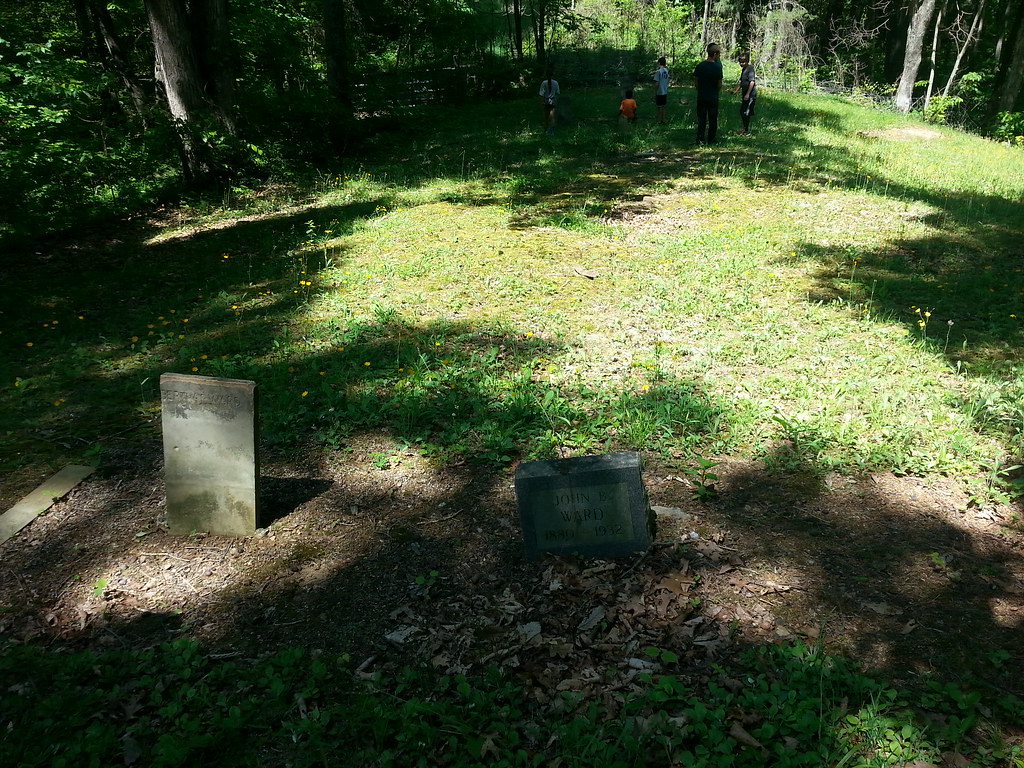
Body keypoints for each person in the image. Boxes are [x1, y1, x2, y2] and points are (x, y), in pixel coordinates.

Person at [692, 43, 723, 144]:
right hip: (713, 96)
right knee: (712, 118)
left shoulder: (700, 66)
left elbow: (696, 82)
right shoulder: (717, 67)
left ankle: (700, 138)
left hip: (702, 96)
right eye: (718, 54)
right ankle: (711, 139)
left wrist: (701, 90)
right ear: (714, 54)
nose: (719, 56)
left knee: (701, 118)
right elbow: (719, 84)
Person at [733, 52, 757, 134]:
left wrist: (748, 94)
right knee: (742, 111)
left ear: (747, 61)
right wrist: (736, 91)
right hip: (745, 94)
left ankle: (746, 130)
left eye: (743, 62)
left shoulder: (750, 69)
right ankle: (745, 129)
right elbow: (742, 82)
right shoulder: (744, 70)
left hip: (750, 94)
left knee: (746, 112)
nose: (741, 64)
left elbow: (752, 82)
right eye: (740, 62)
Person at [653, 57, 669, 123]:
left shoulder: (658, 71)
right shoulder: (666, 71)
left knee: (659, 106)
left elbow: (657, 82)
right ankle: (663, 119)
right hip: (664, 90)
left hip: (659, 91)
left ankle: (659, 120)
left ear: (659, 63)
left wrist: (655, 91)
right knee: (663, 106)